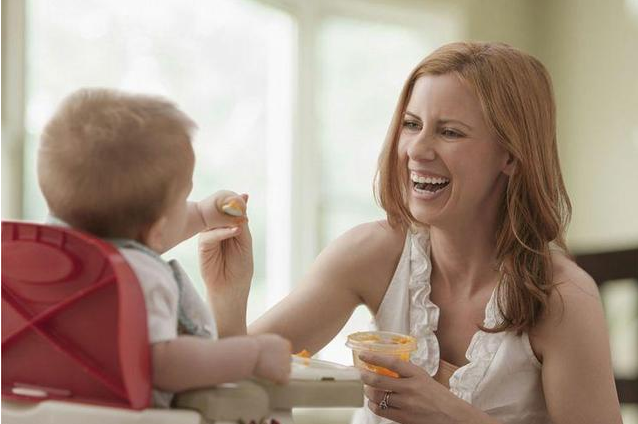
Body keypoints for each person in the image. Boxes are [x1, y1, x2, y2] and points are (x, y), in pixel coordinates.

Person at [205, 42, 623, 423]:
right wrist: (229, 297)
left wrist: (451, 415)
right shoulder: (372, 254)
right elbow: (232, 383)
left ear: (511, 155)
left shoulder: (562, 298)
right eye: (411, 124)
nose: (416, 151)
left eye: (450, 131)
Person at [37, 88, 291, 407]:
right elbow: (161, 362)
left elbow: (138, 240)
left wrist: (202, 214)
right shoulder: (140, 278)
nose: (188, 205)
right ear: (157, 228)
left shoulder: (48, 253)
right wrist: (252, 355)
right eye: (184, 197)